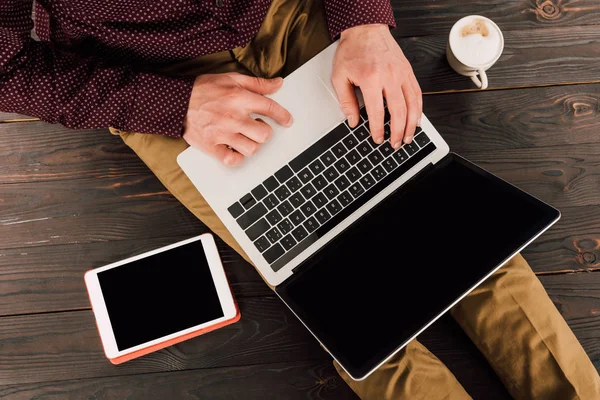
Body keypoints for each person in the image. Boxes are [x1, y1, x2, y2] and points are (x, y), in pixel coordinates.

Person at [1, 0, 599, 398]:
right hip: (156, 80)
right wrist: (172, 106)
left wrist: (363, 19)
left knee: (451, 222)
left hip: (291, 11)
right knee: (335, 292)